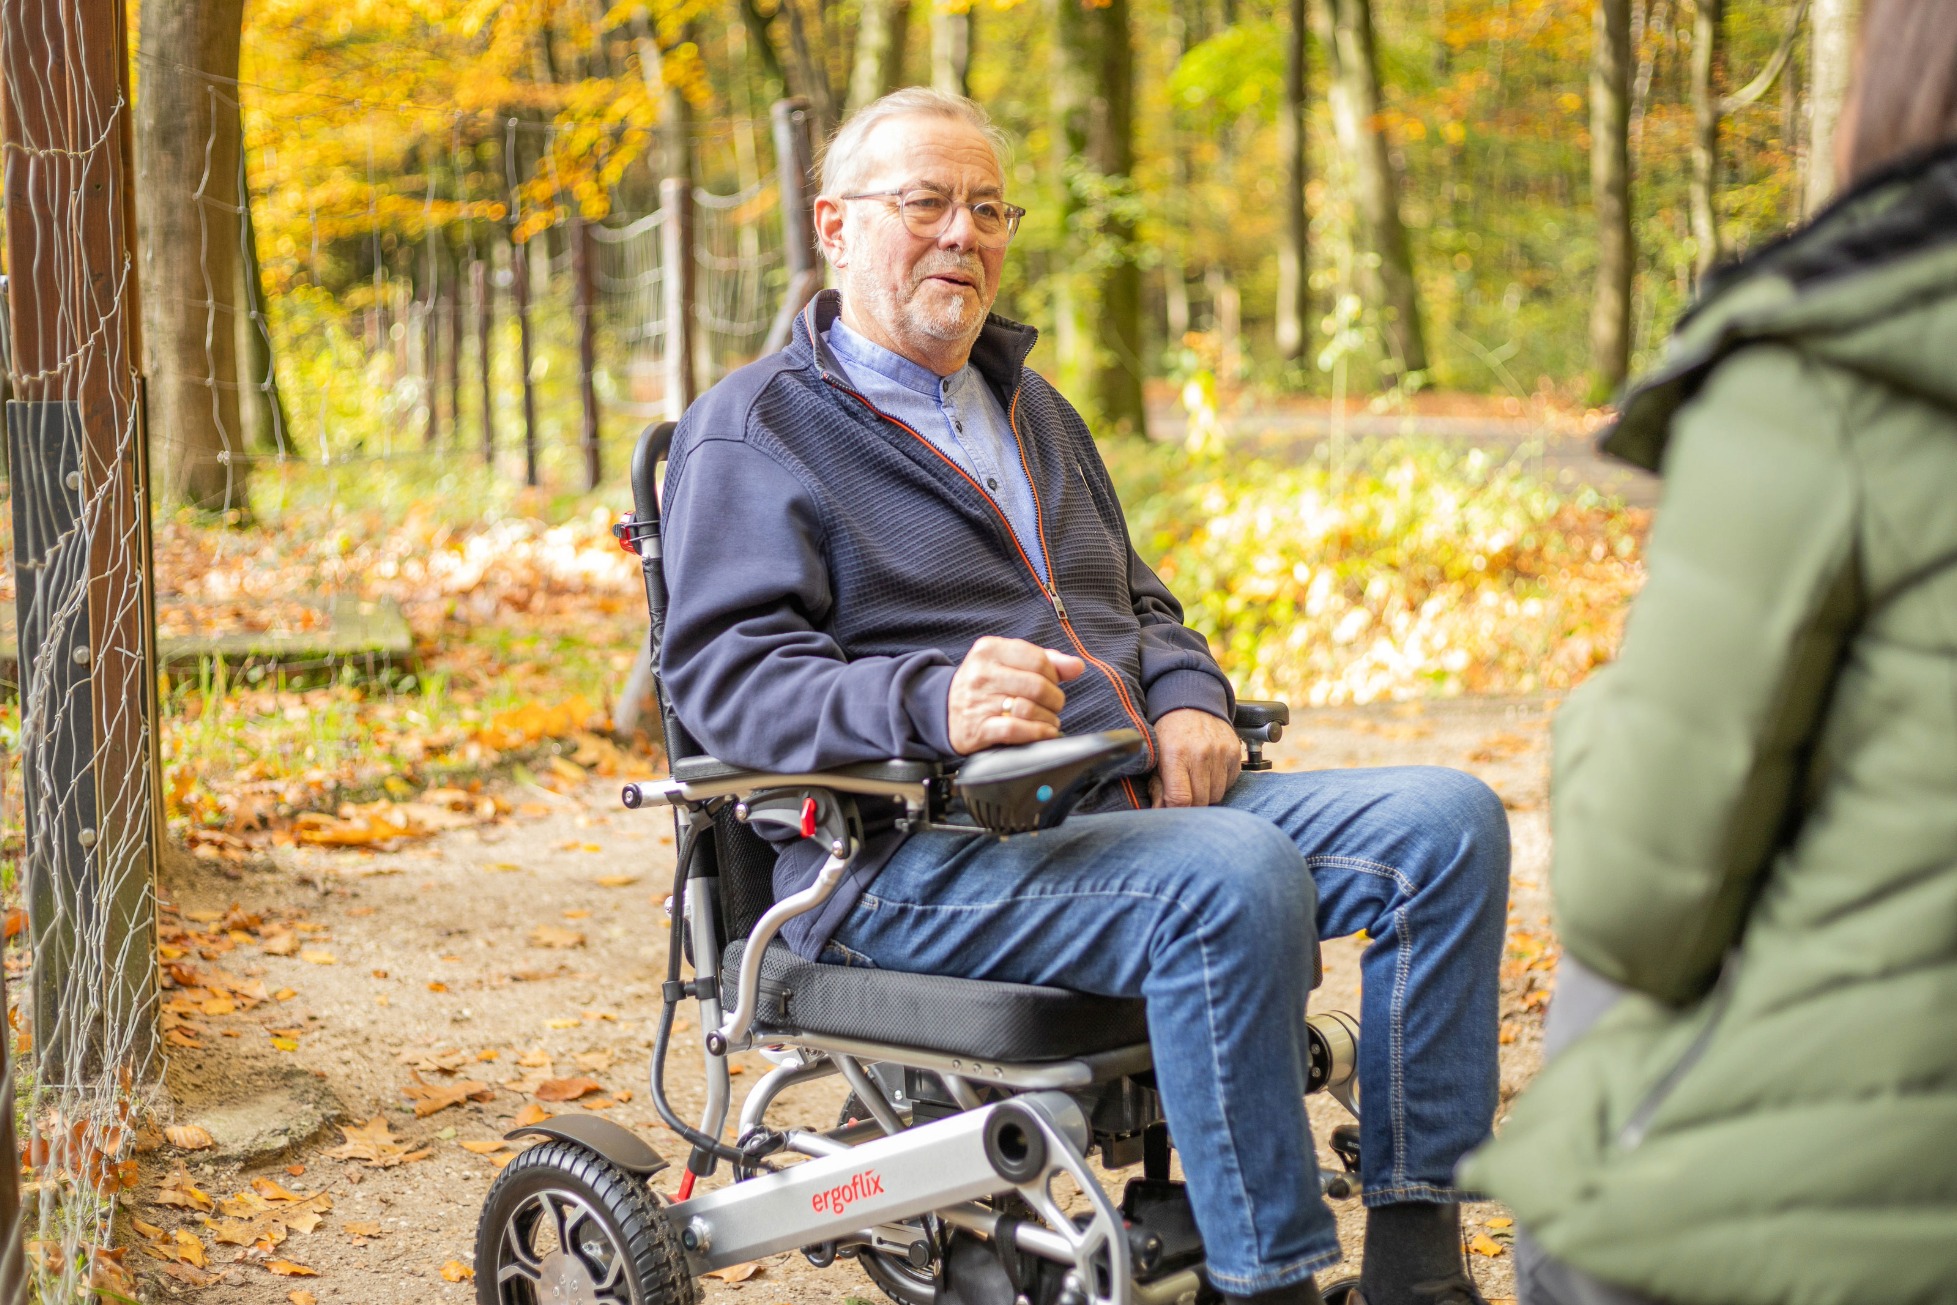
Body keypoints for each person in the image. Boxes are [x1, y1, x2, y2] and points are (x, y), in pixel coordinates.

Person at [659, 88, 1509, 1305]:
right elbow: (723, 682)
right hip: (908, 856)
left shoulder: (1030, 406)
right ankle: (1265, 1284)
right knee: (1229, 872)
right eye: (926, 203)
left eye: (987, 208)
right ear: (835, 225)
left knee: (1446, 825)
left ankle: (1417, 1269)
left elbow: (1138, 605)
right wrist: (930, 699)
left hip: (1117, 807)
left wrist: (1189, 697)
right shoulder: (757, 430)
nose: (963, 234)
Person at [1460, 4, 1957, 1303]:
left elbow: (1636, 904)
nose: (971, 236)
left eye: (988, 209)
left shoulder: (1819, 374)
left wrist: (1599, 715)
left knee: (1583, 1096)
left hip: (1861, 1211)